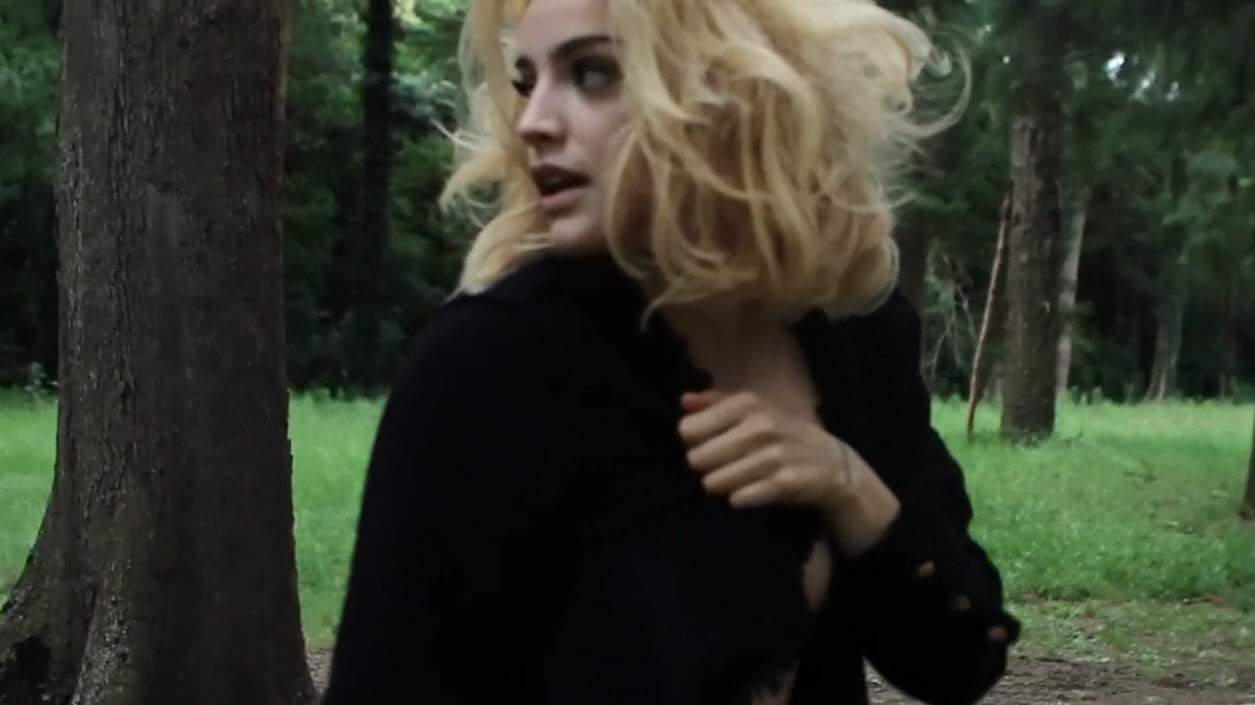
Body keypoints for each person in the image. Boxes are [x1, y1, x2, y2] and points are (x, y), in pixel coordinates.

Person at [320, 0, 1019, 703]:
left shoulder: (852, 334)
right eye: (527, 81)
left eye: (591, 73)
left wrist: (844, 481)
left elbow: (958, 661)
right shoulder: (490, 366)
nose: (533, 121)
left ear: (732, 92)